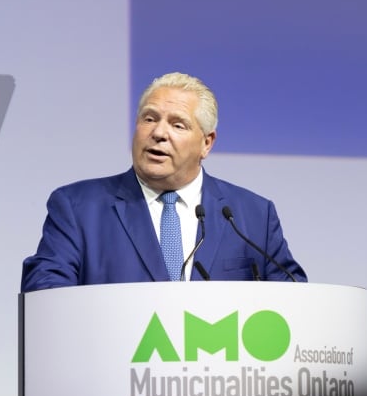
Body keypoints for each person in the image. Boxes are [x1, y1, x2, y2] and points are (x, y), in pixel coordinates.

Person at [21, 72, 307, 292]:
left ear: (206, 143)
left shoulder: (251, 215)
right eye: (149, 119)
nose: (159, 132)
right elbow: (45, 292)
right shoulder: (79, 207)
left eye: (177, 124)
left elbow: (296, 301)